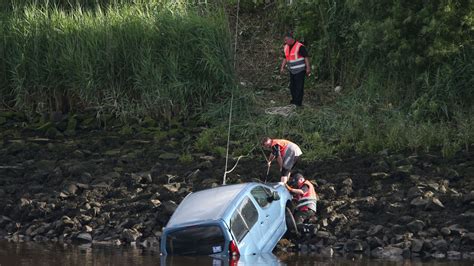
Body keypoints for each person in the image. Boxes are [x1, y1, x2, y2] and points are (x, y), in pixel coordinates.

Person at [280, 33, 311, 107]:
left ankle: (298, 104)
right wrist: (282, 67)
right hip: (292, 70)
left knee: (299, 87)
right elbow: (285, 58)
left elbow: (306, 57)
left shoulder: (299, 46)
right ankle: (293, 102)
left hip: (300, 70)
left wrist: (308, 68)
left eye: (286, 40)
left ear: (291, 39)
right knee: (292, 87)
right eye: (285, 40)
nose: (285, 41)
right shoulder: (286, 47)